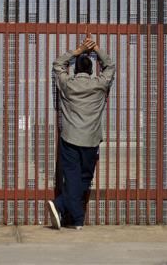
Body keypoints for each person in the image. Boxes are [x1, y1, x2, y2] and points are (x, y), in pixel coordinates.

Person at [46, 35, 115, 230]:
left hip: (69, 138)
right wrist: (96, 49)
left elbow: (58, 64)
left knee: (73, 176)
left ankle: (62, 206)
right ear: (92, 69)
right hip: (91, 140)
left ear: (75, 69)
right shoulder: (100, 85)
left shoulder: (68, 85)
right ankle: (76, 219)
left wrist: (76, 51)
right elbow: (110, 66)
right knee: (85, 178)